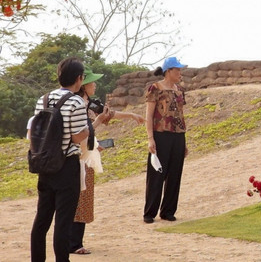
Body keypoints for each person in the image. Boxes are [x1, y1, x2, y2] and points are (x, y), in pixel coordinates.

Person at [69, 68, 144, 255]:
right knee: (77, 198)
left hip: (87, 154)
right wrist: (98, 122)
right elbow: (86, 130)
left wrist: (131, 116)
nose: (95, 85)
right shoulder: (76, 105)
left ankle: (75, 241)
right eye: (92, 83)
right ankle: (73, 243)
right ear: (83, 85)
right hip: (77, 155)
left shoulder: (91, 104)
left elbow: (110, 114)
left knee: (84, 198)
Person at [30, 57, 90, 262]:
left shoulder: (43, 99)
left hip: (45, 163)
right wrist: (87, 131)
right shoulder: (76, 101)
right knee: (63, 222)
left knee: (42, 219)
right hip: (66, 164)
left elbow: (35, 131)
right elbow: (76, 136)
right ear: (79, 79)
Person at [143, 57, 188, 224]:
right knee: (157, 174)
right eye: (177, 70)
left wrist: (185, 142)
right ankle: (149, 212)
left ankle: (168, 211)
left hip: (178, 135)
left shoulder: (180, 90)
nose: (180, 73)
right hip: (160, 134)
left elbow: (180, 115)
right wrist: (150, 138)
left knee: (175, 174)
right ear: (168, 71)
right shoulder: (155, 88)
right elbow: (149, 114)